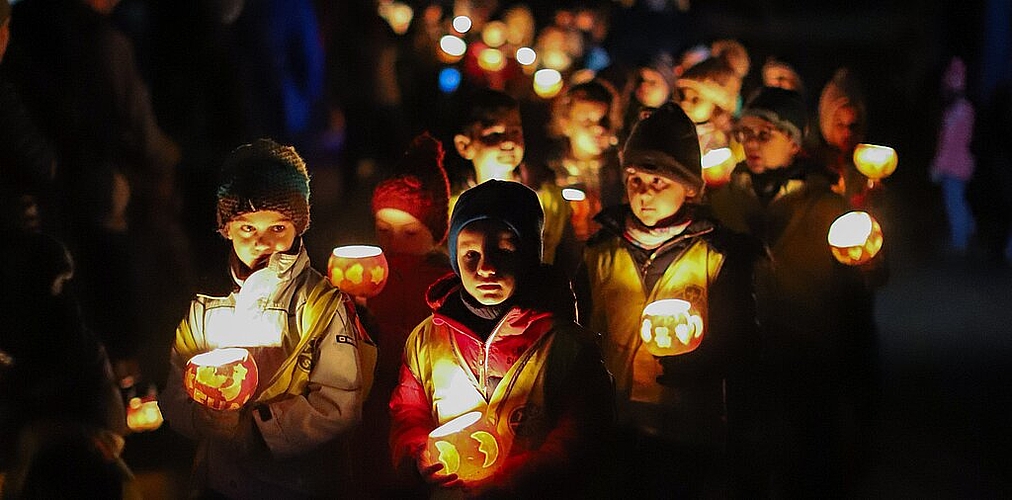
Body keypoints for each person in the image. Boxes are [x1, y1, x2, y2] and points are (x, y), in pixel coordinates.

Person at [160, 139, 375, 499]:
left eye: (277, 228)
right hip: (222, 482)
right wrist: (201, 419)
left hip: (296, 484)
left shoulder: (318, 304)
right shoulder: (205, 304)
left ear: (298, 227)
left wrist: (257, 432)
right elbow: (175, 387)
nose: (262, 242)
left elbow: (339, 400)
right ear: (226, 227)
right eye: (247, 228)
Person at [574, 102, 764, 498]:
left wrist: (704, 361)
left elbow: (739, 336)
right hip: (618, 421)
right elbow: (581, 332)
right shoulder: (600, 251)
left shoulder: (717, 254)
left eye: (659, 181)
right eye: (635, 180)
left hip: (690, 425)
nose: (644, 194)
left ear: (689, 186)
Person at [389, 179, 615, 498]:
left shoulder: (565, 344)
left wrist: (524, 476)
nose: (487, 268)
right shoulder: (426, 339)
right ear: (454, 256)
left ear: (529, 254)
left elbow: (583, 427)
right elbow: (409, 411)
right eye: (470, 255)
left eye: (504, 250)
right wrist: (417, 456)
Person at [709, 87, 882, 497]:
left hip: (809, 351)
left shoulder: (825, 205)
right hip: (743, 353)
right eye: (746, 133)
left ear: (793, 141)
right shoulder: (722, 203)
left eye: (764, 133)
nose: (751, 143)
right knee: (746, 458)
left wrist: (868, 260)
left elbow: (862, 282)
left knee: (810, 458)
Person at [357, 131, 454, 498]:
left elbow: (430, 349)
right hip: (366, 410)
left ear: (436, 232)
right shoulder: (366, 271)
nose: (394, 243)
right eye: (384, 230)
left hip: (411, 416)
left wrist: (379, 334)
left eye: (410, 233)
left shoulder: (441, 285)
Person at [451, 88, 580, 276]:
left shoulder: (550, 201)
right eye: (494, 135)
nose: (509, 142)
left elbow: (570, 262)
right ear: (464, 145)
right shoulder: (450, 209)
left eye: (515, 132)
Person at [546, 78, 624, 245]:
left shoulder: (624, 174)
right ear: (565, 123)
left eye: (604, 120)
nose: (599, 128)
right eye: (587, 121)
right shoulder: (548, 176)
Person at [930, 56, 977, 256]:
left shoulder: (955, 113)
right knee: (959, 201)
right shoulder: (965, 110)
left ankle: (960, 241)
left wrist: (937, 167)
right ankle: (969, 229)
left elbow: (949, 145)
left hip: (953, 166)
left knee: (954, 203)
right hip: (962, 164)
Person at [814, 67, 872, 208]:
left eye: (853, 125)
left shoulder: (868, 169)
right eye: (840, 124)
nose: (847, 133)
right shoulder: (814, 167)